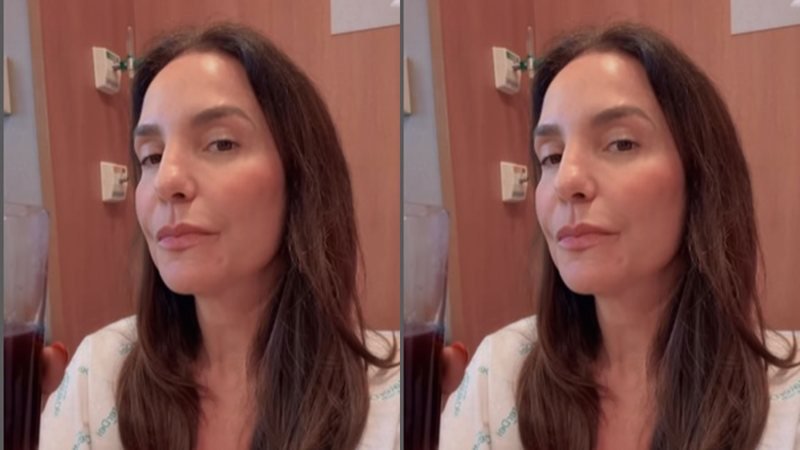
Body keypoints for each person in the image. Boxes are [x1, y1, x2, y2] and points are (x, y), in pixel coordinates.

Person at [439, 23, 800, 450]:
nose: (566, 180)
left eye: (621, 144)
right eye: (551, 156)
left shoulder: (788, 404)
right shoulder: (497, 377)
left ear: (701, 178)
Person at [39, 23, 399, 450]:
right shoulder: (97, 378)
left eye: (221, 144)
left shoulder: (397, 400)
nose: (166, 180)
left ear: (301, 177)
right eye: (151, 156)